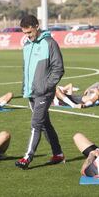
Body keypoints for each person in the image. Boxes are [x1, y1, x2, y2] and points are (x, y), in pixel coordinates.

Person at [15, 15, 65, 170]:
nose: (27, 36)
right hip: (31, 92)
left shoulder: (49, 43)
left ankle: (27, 157)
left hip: (43, 93)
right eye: (24, 33)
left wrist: (46, 86)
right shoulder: (27, 46)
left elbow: (58, 69)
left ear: (36, 26)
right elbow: (26, 70)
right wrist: (25, 87)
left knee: (35, 123)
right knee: (44, 124)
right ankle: (58, 154)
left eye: (29, 32)